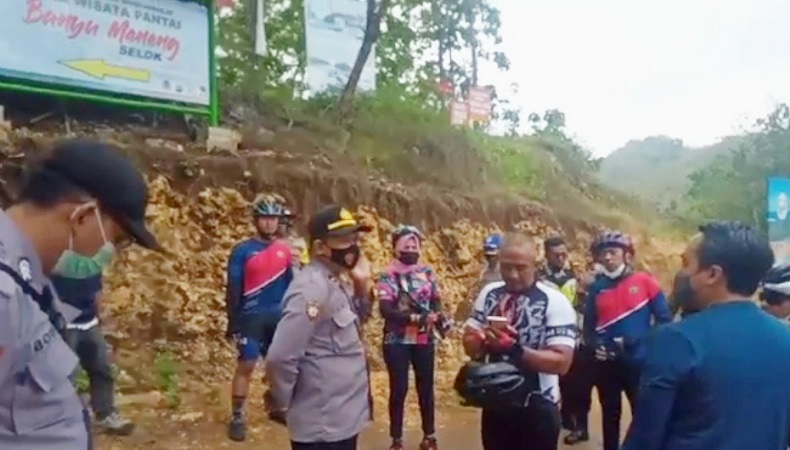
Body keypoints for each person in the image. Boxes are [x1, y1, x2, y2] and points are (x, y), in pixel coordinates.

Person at [0, 139, 161, 449]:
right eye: (117, 240)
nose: (110, 254)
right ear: (83, 217)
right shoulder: (4, 296)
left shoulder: (32, 279)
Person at [622, 221, 790, 450]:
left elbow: (644, 441)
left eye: (686, 263)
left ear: (712, 274)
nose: (679, 274)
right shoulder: (785, 340)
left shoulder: (676, 340)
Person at [266, 205, 374, 450]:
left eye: (355, 238)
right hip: (322, 427)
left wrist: (361, 284)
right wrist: (285, 403)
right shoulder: (311, 290)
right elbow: (281, 357)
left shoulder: (336, 282)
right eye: (343, 239)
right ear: (319, 248)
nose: (352, 246)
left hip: (342, 420)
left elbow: (357, 324)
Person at [462, 232, 577, 450]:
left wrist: (513, 349)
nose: (513, 274)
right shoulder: (489, 294)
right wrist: (481, 339)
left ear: (536, 265)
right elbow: (469, 344)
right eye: (506, 267)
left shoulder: (554, 300)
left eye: (521, 267)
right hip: (496, 405)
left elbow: (562, 363)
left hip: (538, 406)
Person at [583, 231, 672, 450]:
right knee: (609, 415)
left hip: (638, 362)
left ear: (627, 256)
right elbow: (588, 327)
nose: (607, 258)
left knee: (642, 415)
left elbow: (664, 320)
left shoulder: (645, 281)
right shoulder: (596, 288)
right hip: (607, 364)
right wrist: (595, 345)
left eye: (613, 252)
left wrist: (640, 340)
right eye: (603, 254)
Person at [225, 196, 294, 441]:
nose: (269, 224)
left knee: (279, 365)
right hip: (251, 317)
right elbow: (233, 287)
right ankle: (237, 416)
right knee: (247, 364)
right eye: (265, 218)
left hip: (278, 317)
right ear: (256, 221)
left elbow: (292, 285)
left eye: (273, 219)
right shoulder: (242, 250)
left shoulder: (285, 250)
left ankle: (276, 406)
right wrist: (232, 320)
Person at [377, 225, 448, 450]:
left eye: (414, 244)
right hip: (395, 340)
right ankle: (396, 440)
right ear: (395, 247)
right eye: (406, 244)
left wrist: (439, 317)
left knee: (426, 388)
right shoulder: (387, 275)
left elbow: (436, 300)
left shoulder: (427, 272)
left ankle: (430, 436)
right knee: (399, 389)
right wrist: (418, 318)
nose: (411, 248)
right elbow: (386, 310)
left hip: (424, 339)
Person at [52, 272, 135, 435]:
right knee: (66, 376)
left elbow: (97, 291)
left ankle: (106, 413)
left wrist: (98, 316)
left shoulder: (90, 263)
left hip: (89, 322)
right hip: (64, 325)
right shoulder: (58, 260)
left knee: (102, 368)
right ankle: (64, 422)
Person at [539, 236, 591, 445]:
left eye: (564, 254)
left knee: (579, 385)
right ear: (547, 255)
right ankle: (564, 419)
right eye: (556, 255)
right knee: (557, 382)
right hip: (549, 337)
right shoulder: (539, 278)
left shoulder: (573, 276)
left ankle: (581, 426)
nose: (561, 258)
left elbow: (581, 304)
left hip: (574, 337)